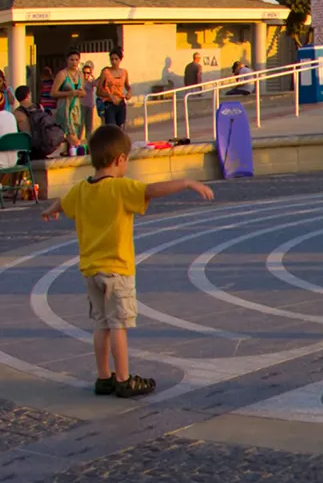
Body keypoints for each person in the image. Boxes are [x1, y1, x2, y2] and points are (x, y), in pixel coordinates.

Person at [40, 124, 213, 400]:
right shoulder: (120, 188)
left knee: (101, 325)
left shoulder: (81, 190)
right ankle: (123, 379)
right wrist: (187, 182)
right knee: (118, 325)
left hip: (91, 271)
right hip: (117, 271)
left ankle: (103, 376)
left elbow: (64, 201)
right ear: (120, 160)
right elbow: (152, 190)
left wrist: (51, 209)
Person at [96, 51, 130, 128]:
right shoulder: (106, 72)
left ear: (120, 60)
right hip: (109, 104)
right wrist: (109, 95)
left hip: (121, 103)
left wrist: (129, 92)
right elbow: (98, 91)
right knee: (111, 128)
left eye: (116, 59)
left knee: (120, 127)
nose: (114, 62)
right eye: (112, 59)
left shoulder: (124, 72)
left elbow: (127, 86)